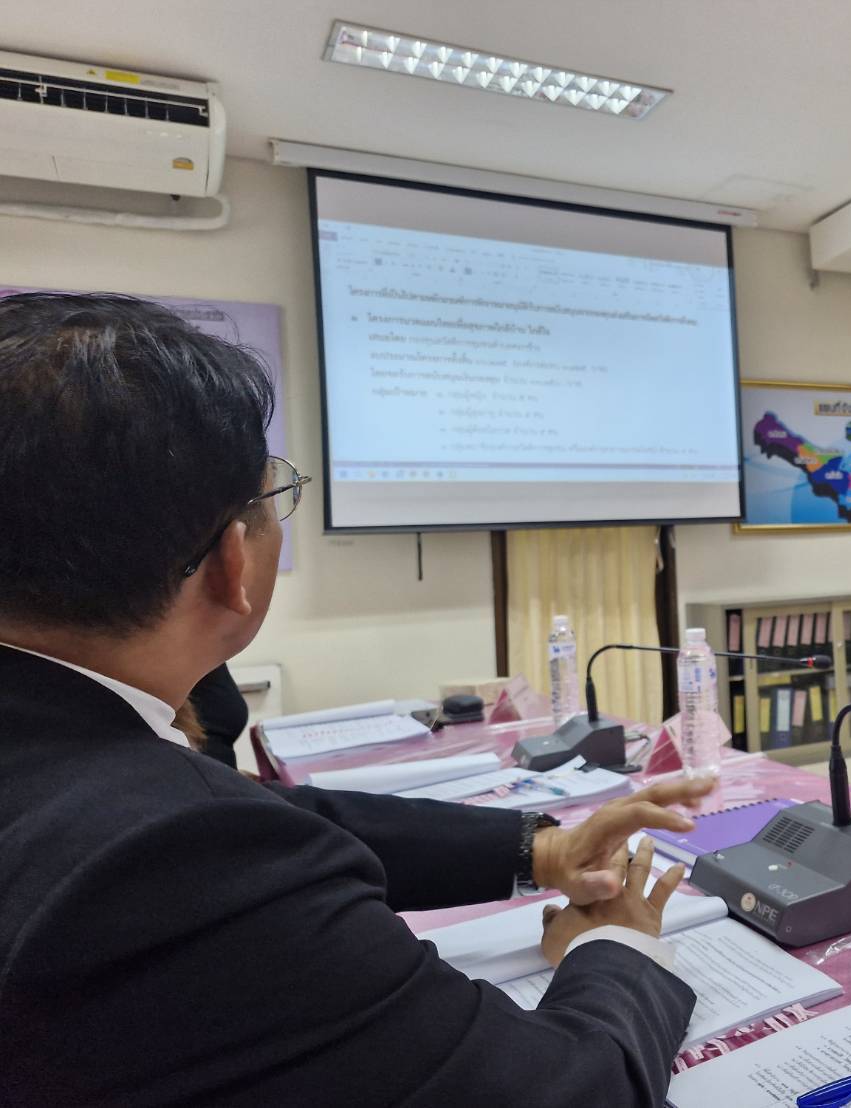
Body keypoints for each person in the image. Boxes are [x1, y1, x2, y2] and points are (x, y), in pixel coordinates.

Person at [0, 292, 712, 1106]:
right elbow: (576, 1092)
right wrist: (615, 948)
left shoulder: (67, 753)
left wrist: (539, 849)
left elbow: (265, 818)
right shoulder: (168, 854)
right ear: (233, 562)